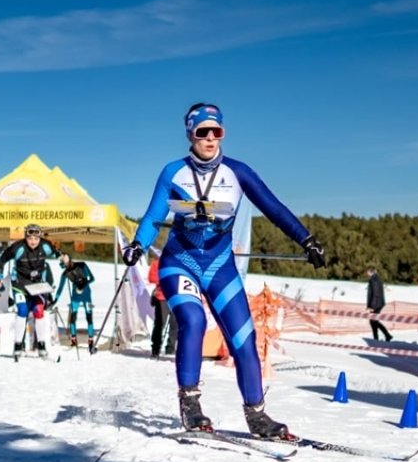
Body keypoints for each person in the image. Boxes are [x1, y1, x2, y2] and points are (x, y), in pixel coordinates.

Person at [122, 102, 326, 438]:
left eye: (217, 131)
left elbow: (274, 208)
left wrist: (306, 239)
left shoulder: (237, 172)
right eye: (203, 131)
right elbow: (152, 216)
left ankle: (257, 415)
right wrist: (137, 245)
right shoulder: (173, 172)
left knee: (244, 339)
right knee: (194, 320)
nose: (211, 138)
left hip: (220, 267)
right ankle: (190, 404)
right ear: (190, 134)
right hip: (180, 262)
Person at [0, 223, 62, 360]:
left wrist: (64, 258)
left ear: (40, 238)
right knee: (22, 311)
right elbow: (1, 260)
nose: (33, 242)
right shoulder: (18, 248)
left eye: (36, 239)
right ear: (26, 238)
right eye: (30, 238)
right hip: (20, 284)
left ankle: (42, 346)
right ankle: (17, 345)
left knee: (39, 311)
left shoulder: (45, 245)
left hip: (37, 285)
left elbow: (57, 253)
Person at [55, 253, 98, 354]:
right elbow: (60, 289)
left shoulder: (82, 265)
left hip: (86, 294)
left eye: (65, 260)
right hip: (75, 295)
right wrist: (55, 300)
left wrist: (83, 284)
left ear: (69, 258)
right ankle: (74, 340)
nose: (65, 265)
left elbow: (92, 278)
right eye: (63, 263)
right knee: (73, 318)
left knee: (89, 317)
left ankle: (91, 341)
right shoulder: (65, 273)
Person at [148, 258, 178, 359]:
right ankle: (155, 348)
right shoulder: (157, 262)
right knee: (160, 324)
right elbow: (152, 278)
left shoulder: (180, 262)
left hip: (176, 297)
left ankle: (171, 347)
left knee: (175, 324)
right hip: (161, 297)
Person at [366, 266, 392, 342]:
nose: (367, 273)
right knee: (373, 321)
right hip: (378, 303)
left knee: (373, 321)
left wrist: (372, 306)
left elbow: (375, 294)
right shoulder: (376, 279)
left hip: (376, 304)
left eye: (368, 272)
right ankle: (379, 337)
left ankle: (386, 335)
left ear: (371, 272)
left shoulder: (374, 280)